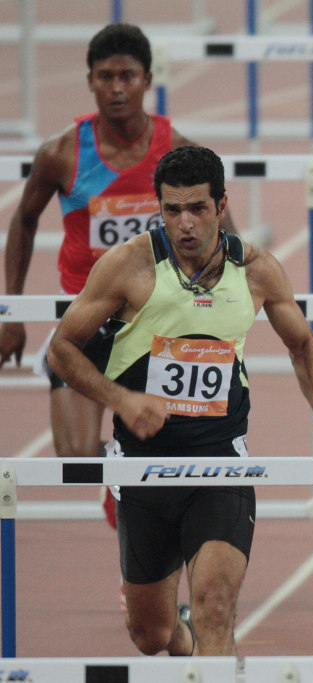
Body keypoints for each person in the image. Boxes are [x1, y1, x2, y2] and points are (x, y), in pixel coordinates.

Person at [47, 145, 313, 656]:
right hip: (144, 470)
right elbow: (62, 349)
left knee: (214, 607)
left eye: (198, 209)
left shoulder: (255, 270)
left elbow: (303, 345)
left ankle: (209, 648)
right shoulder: (130, 266)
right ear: (159, 208)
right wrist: (121, 399)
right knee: (151, 635)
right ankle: (183, 644)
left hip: (220, 466)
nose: (185, 223)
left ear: (221, 205)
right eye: (172, 210)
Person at [0, 23, 234, 479]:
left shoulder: (178, 149)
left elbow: (220, 230)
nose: (117, 87)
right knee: (76, 456)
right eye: (105, 76)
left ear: (147, 79)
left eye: (127, 75)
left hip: (160, 315)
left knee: (178, 442)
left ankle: (136, 487)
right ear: (90, 81)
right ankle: (122, 477)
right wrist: (10, 313)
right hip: (88, 318)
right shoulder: (61, 153)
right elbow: (23, 221)